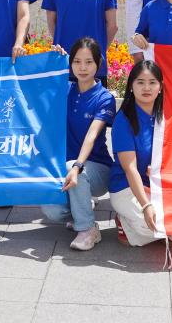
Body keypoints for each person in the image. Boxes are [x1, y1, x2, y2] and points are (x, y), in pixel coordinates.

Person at [41, 37, 115, 250]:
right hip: (67, 169)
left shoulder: (105, 98)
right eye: (77, 61)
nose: (83, 67)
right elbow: (39, 87)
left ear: (99, 63)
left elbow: (92, 135)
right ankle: (81, 205)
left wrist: (77, 166)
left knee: (73, 169)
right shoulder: (65, 90)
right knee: (52, 210)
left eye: (89, 62)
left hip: (97, 170)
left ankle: (88, 229)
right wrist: (53, 61)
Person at [109, 59, 172, 247]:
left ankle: (140, 227)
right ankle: (125, 222)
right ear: (131, 86)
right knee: (154, 227)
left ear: (160, 87)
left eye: (152, 82)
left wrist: (161, 171)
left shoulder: (166, 116)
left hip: (156, 185)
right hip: (126, 187)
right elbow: (130, 169)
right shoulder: (124, 120)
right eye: (140, 82)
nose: (147, 88)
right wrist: (146, 206)